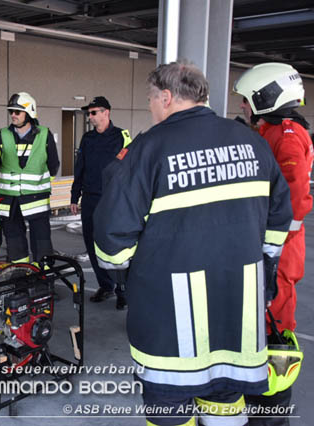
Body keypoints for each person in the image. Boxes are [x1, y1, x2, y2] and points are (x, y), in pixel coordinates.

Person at [94, 60, 292, 426]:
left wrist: (124, 273)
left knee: (169, 410)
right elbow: (279, 218)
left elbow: (112, 237)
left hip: (169, 328)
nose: (151, 106)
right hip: (237, 319)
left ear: (166, 97)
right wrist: (263, 265)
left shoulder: (148, 148)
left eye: (152, 98)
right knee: (226, 404)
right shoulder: (252, 142)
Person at [234, 62, 312, 425]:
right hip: (269, 242)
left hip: (278, 248)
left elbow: (292, 198)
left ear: (267, 97)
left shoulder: (288, 135)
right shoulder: (271, 131)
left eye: (247, 101)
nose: (243, 107)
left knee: (275, 322)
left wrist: (270, 244)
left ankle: (271, 410)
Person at [70, 96, 131, 309]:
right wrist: (74, 196)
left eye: (94, 112)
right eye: (89, 113)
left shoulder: (122, 137)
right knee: (91, 244)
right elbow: (80, 169)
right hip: (90, 199)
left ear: (107, 112)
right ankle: (106, 286)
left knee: (115, 247)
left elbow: (130, 170)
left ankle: (123, 289)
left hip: (113, 201)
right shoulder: (87, 139)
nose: (91, 117)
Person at [0, 92, 60, 264]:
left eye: (17, 112)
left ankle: (43, 278)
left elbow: (53, 165)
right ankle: (20, 277)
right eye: (11, 112)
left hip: (36, 199)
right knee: (14, 243)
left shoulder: (44, 134)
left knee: (42, 242)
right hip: (10, 200)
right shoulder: (3, 135)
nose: (13, 115)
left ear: (29, 113)